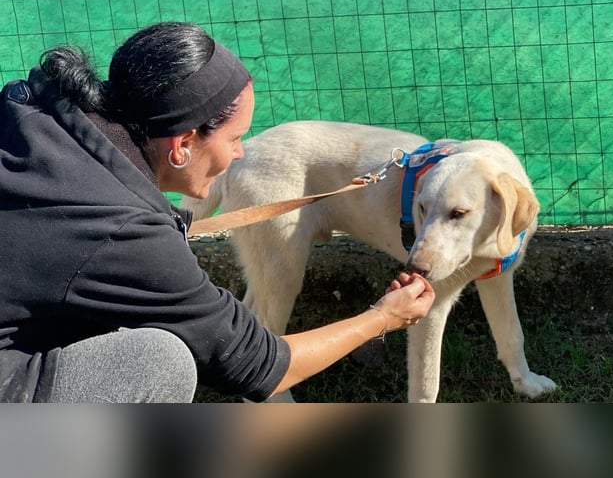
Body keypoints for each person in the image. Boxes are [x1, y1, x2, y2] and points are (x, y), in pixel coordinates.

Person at [0, 21, 435, 403]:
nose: (241, 152)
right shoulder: (126, 236)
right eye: (234, 139)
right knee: (158, 362)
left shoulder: (28, 110)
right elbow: (261, 364)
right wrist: (383, 317)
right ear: (183, 144)